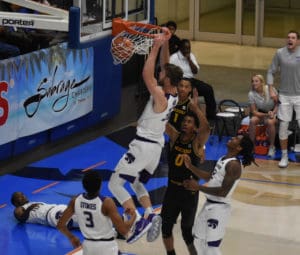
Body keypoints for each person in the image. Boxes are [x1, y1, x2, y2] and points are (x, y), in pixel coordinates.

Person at [108, 27, 183, 244]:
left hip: (143, 146)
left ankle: (138, 219)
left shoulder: (160, 95)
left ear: (167, 80)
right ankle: (150, 212)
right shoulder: (174, 94)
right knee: (137, 183)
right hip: (156, 147)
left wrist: (156, 45)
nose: (160, 73)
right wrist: (166, 42)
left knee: (115, 184)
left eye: (163, 74)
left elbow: (146, 74)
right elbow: (166, 67)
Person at [182, 134, 255, 255]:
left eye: (236, 139)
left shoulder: (234, 165)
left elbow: (223, 192)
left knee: (211, 247)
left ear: (239, 148)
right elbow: (211, 177)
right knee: (198, 241)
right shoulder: (223, 158)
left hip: (219, 209)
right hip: (209, 205)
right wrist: (190, 167)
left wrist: (197, 187)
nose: (232, 138)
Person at [161, 84, 210, 255]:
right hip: (172, 189)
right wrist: (166, 99)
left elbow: (206, 128)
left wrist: (195, 109)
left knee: (187, 233)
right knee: (166, 228)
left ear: (195, 128)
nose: (185, 123)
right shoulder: (175, 137)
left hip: (189, 191)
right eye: (184, 121)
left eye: (189, 122)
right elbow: (163, 120)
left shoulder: (197, 143)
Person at [57, 170, 136, 255]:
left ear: (83, 185)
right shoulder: (106, 202)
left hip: (88, 247)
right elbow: (123, 231)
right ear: (100, 185)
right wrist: (133, 216)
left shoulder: (75, 200)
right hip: (107, 247)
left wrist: (72, 237)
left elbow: (60, 225)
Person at [267, 30, 300, 168]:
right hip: (284, 96)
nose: (290, 39)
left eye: (293, 37)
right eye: (288, 37)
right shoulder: (280, 53)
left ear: (298, 41)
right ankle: (285, 157)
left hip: (299, 96)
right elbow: (270, 71)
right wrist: (270, 89)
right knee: (283, 127)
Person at [169, 39, 217, 122]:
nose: (187, 50)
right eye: (185, 48)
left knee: (208, 89)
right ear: (180, 48)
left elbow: (195, 71)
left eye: (189, 48)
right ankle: (190, 117)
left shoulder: (191, 56)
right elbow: (171, 74)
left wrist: (189, 60)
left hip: (191, 80)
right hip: (180, 82)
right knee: (190, 93)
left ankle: (211, 116)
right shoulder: (173, 58)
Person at [11, 191, 78, 229]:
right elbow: (20, 217)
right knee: (77, 219)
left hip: (58, 207)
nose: (23, 196)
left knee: (80, 210)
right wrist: (29, 209)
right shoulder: (21, 208)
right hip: (52, 215)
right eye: (19, 197)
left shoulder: (31, 203)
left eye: (22, 194)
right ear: (16, 203)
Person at [248, 74, 278, 157]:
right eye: (252, 81)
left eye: (256, 81)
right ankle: (252, 146)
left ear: (262, 82)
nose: (254, 83)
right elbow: (254, 111)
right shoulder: (251, 94)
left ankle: (272, 147)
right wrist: (266, 114)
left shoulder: (269, 89)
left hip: (275, 111)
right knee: (252, 120)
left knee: (270, 122)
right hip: (263, 113)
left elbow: (278, 103)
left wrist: (273, 113)